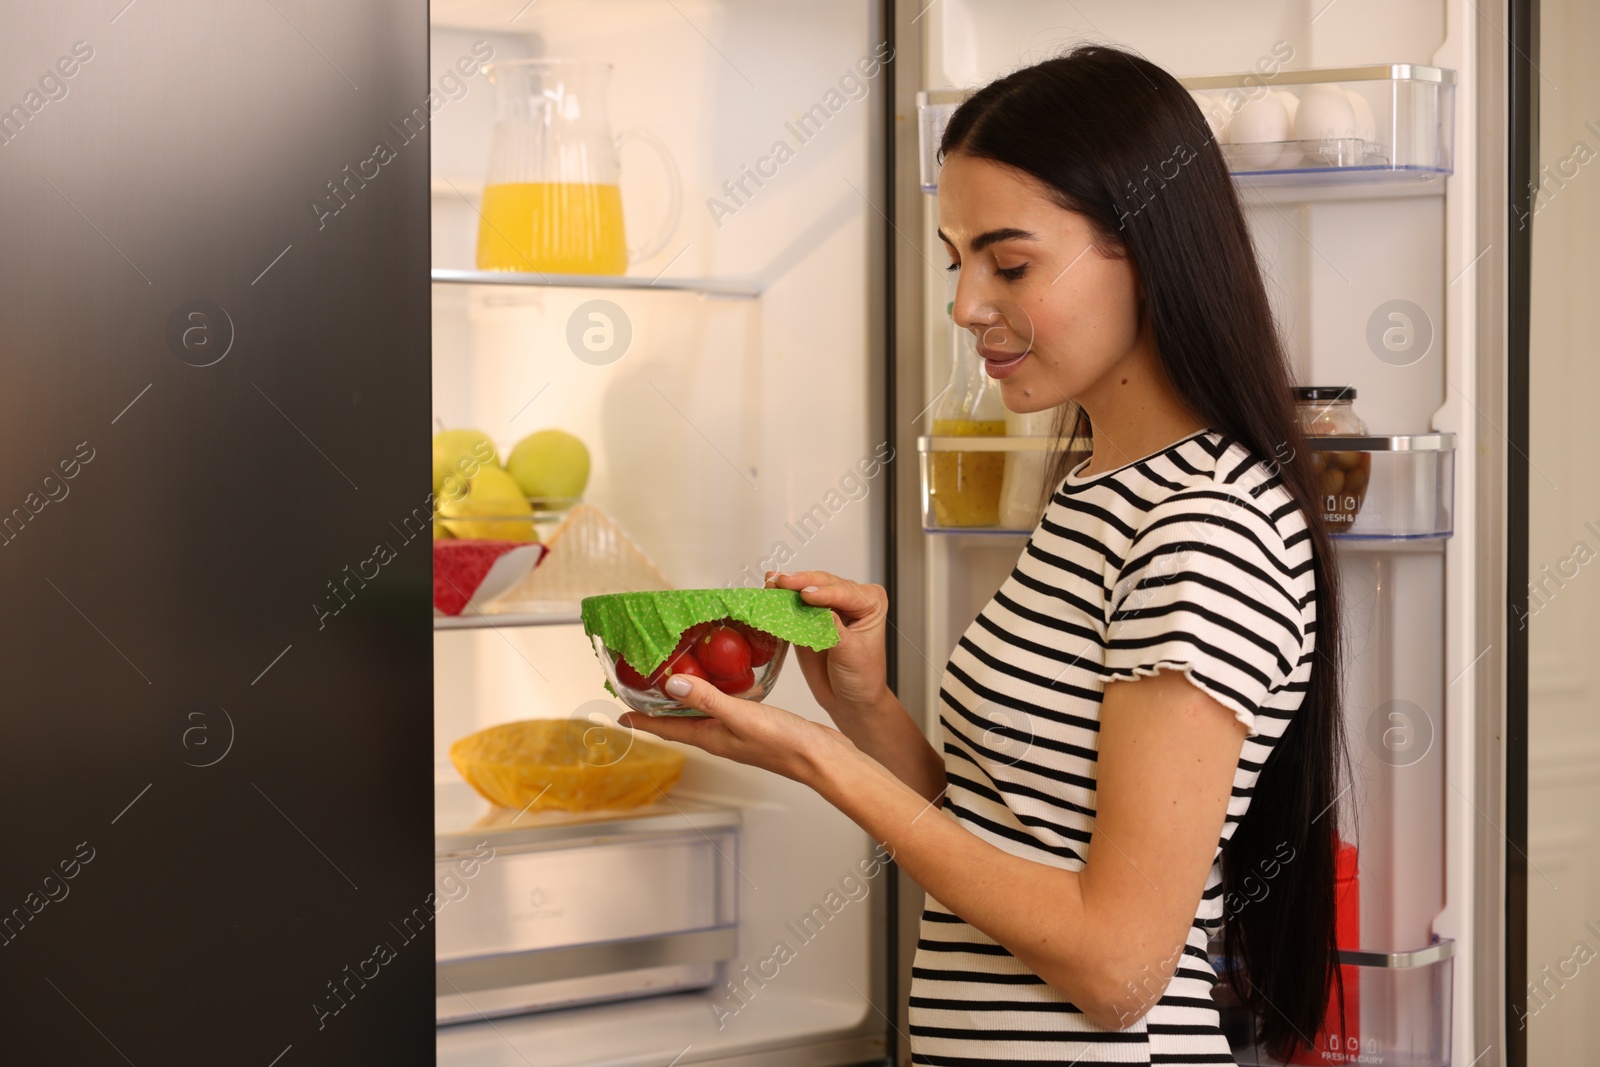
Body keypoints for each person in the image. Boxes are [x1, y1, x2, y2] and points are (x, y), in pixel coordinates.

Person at [621, 44, 1348, 1065]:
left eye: (1007, 263)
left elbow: (1114, 966)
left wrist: (822, 763)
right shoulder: (1101, 491)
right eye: (955, 258)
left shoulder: (1204, 525)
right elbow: (1009, 842)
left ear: (1148, 248)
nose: (964, 303)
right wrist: (862, 708)